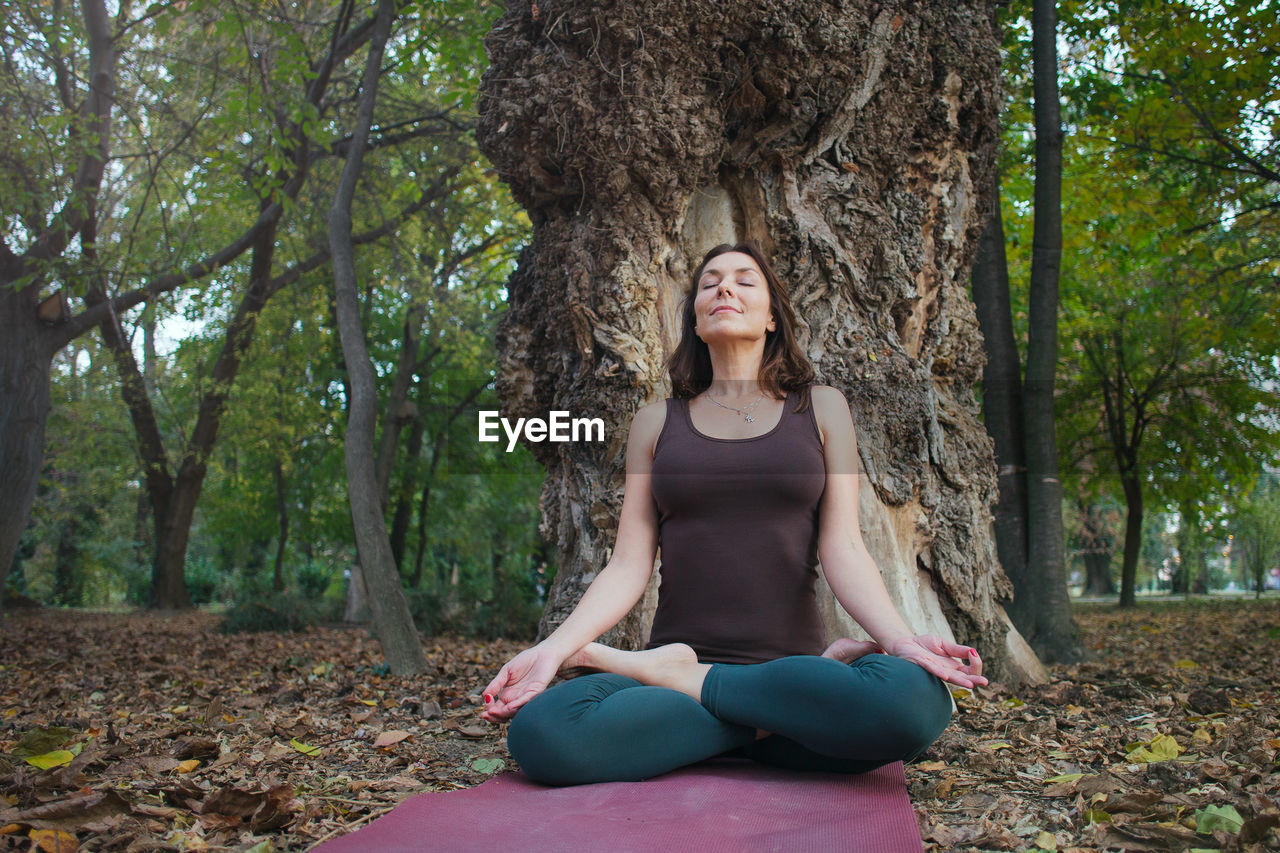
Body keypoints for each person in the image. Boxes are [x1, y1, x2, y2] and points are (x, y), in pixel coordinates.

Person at [480, 241, 987, 786]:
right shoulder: (655, 423)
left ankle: (697, 696)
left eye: (745, 280)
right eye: (709, 282)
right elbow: (628, 565)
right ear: (696, 322)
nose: (724, 287)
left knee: (918, 703)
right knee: (543, 734)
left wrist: (901, 642)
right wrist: (554, 649)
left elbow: (844, 547)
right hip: (708, 694)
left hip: (791, 679)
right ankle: (744, 715)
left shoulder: (821, 408)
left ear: (772, 317)